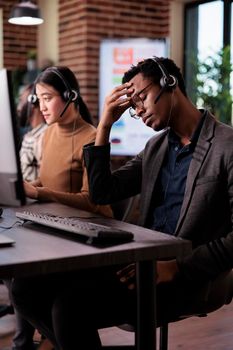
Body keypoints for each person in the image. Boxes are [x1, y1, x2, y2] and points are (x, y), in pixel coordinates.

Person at [10, 57, 233, 349]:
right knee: (25, 288)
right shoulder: (156, 147)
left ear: (169, 83)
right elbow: (103, 192)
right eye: (133, 106)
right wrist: (104, 125)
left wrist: (177, 267)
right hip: (140, 261)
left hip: (188, 275)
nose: (138, 111)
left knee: (69, 306)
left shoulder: (226, 145)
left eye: (141, 98)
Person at [22, 65, 112, 217]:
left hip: (93, 224)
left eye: (47, 98)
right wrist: (22, 188)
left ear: (69, 96)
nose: (41, 107)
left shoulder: (92, 138)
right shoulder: (49, 132)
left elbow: (91, 201)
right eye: (39, 99)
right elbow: (47, 181)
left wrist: (39, 193)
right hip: (57, 218)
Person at [18, 83, 47, 182]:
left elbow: (45, 179)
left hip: (33, 195)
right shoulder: (29, 135)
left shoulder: (44, 135)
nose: (19, 107)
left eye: (22, 101)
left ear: (33, 101)